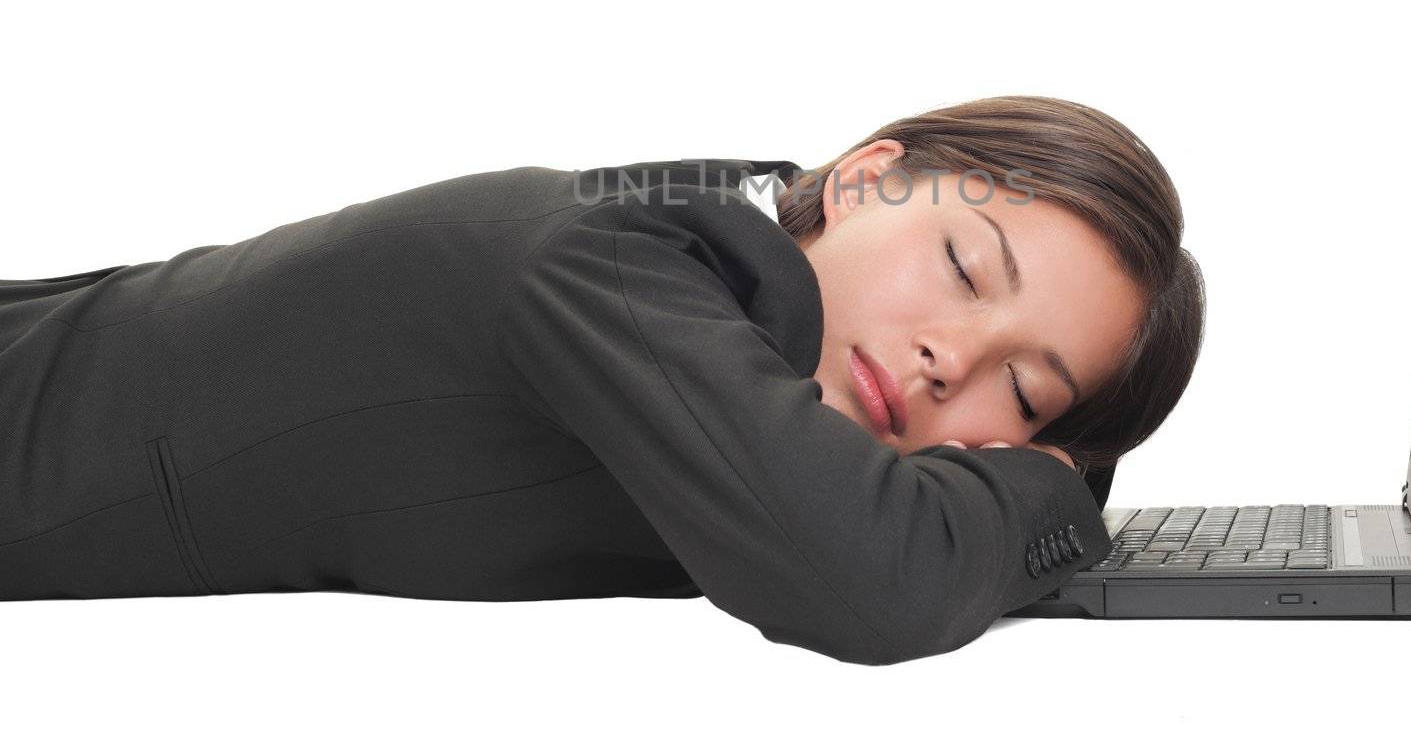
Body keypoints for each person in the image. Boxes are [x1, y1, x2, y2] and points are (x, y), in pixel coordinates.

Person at [0, 95, 1203, 664]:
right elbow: (876, 580)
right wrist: (1053, 490)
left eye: (1027, 391)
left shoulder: (723, 292)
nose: (952, 357)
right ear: (863, 178)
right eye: (959, 265)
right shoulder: (619, 268)